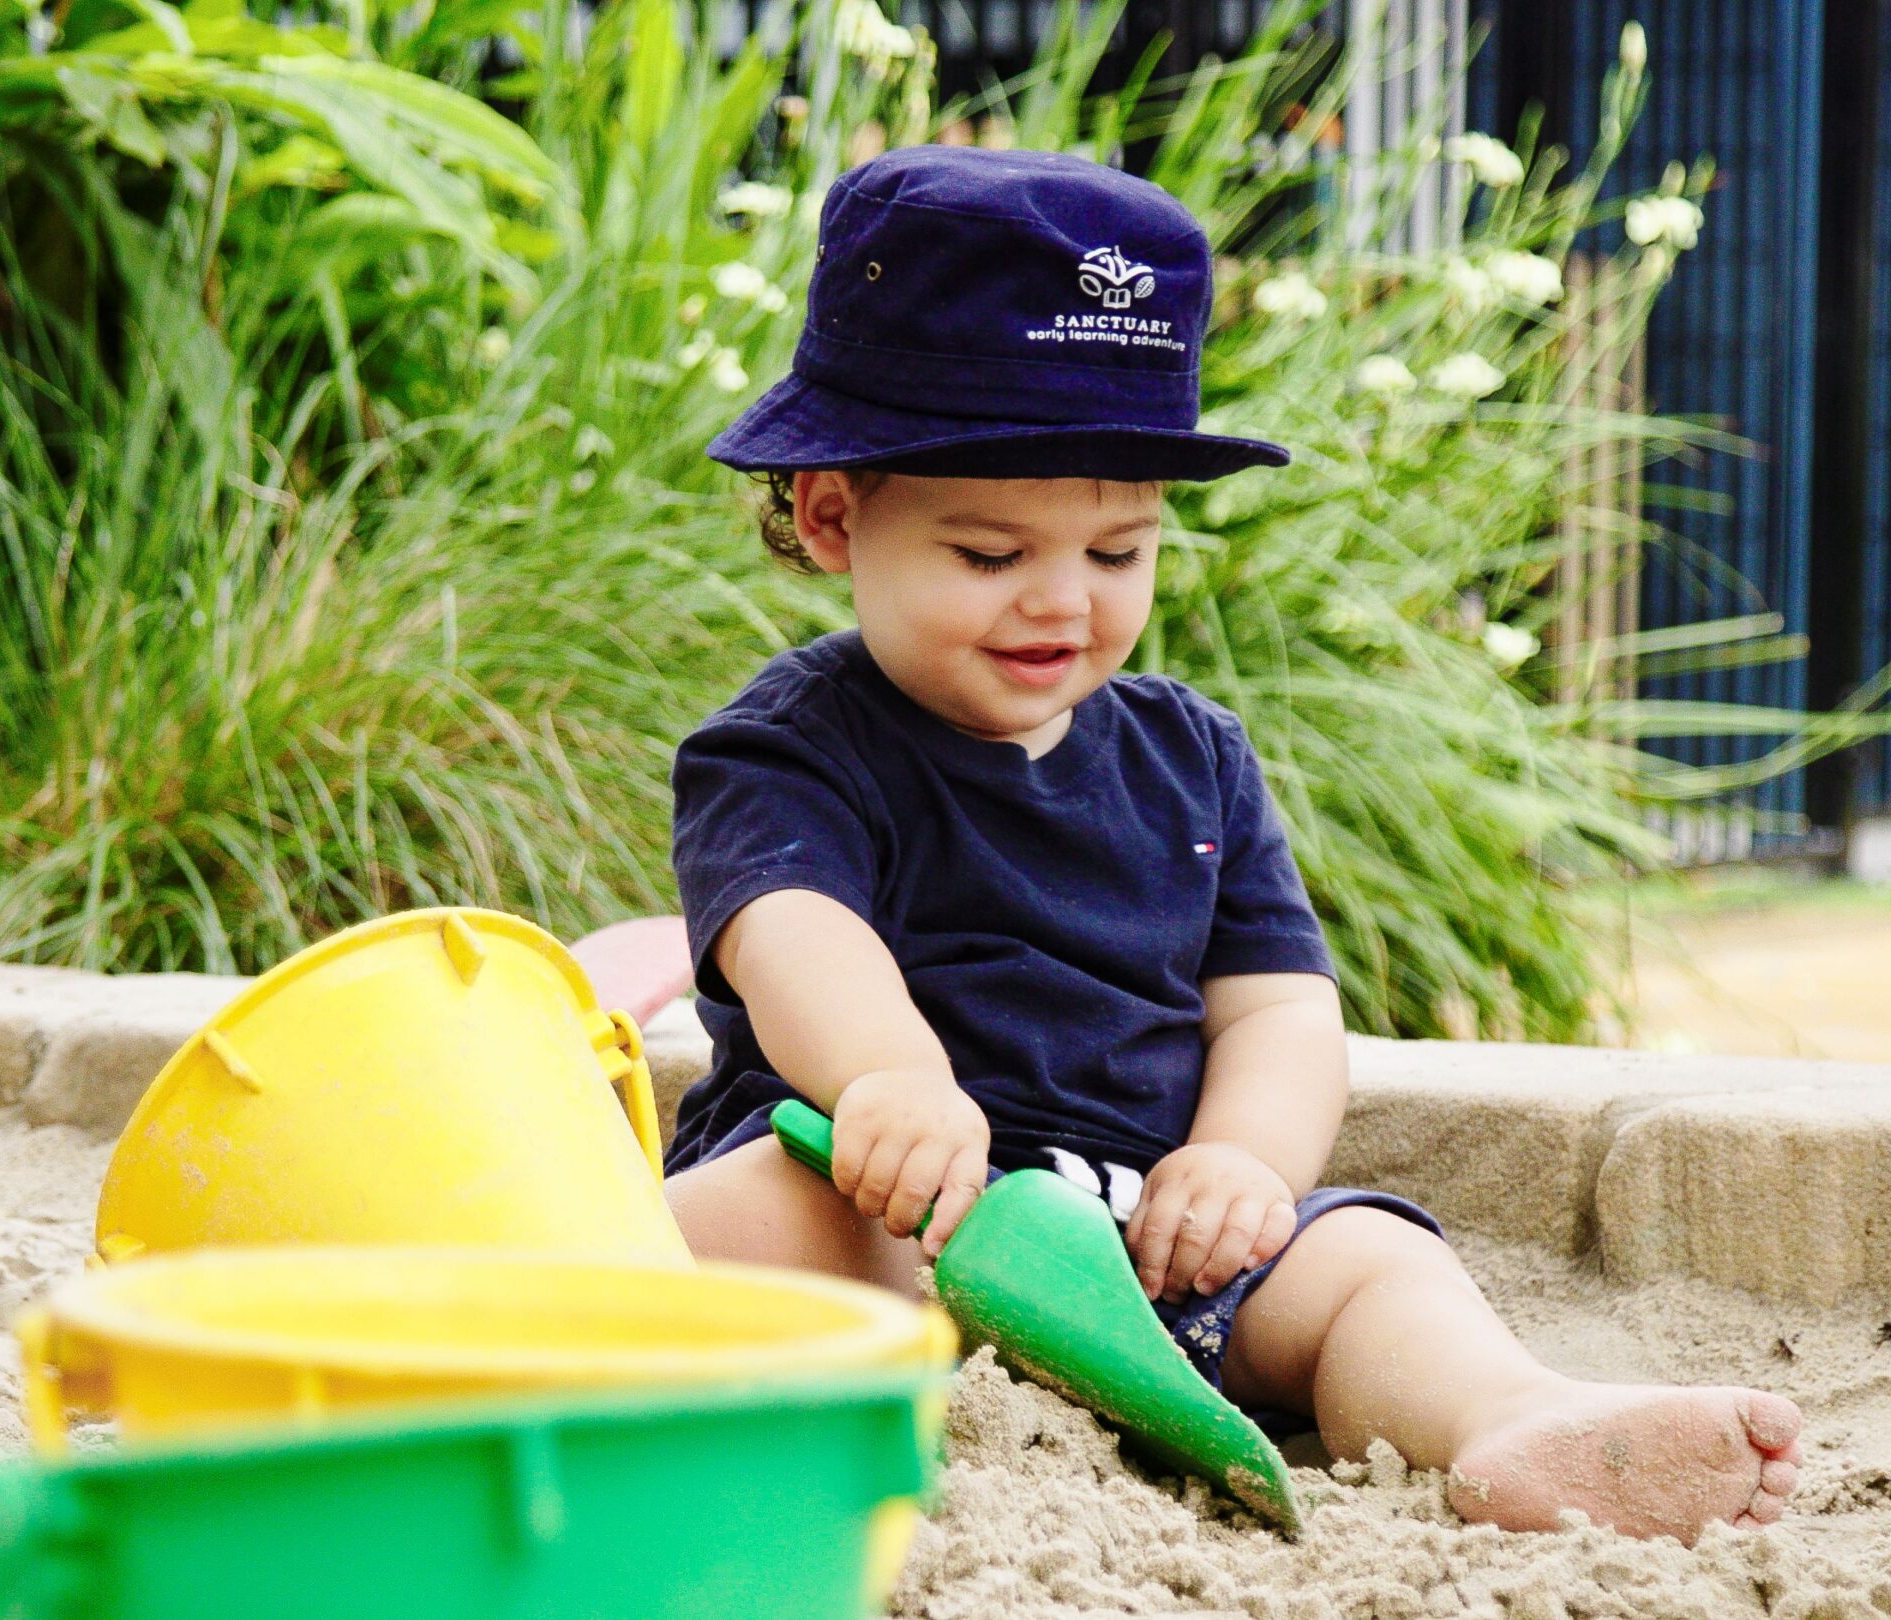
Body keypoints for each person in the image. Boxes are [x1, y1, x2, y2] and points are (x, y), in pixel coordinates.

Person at [660, 144, 1801, 1544]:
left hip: (1151, 1243)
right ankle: (564, 1343)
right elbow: (793, 934)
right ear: (837, 515)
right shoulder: (787, 745)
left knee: (1372, 1261)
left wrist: (1245, 1163)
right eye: (990, 554)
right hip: (900, 1199)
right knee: (745, 1220)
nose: (1059, 605)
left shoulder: (1191, 755)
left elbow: (1276, 1003)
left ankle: (1511, 1418)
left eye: (1117, 552)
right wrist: (892, 1081)